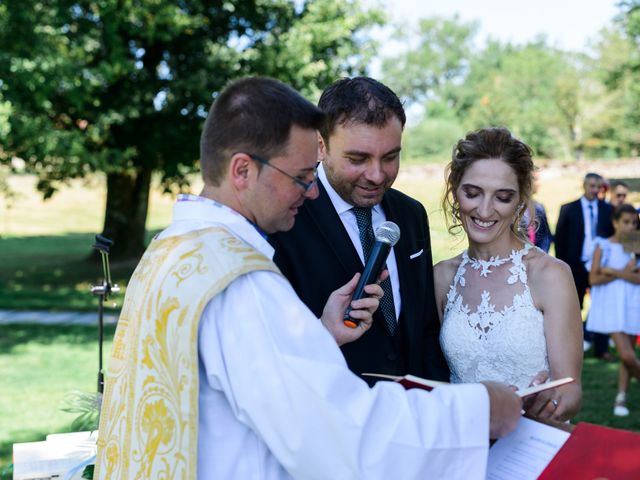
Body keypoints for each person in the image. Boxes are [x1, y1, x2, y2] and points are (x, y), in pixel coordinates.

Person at [94, 77, 522, 479]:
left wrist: (320, 335)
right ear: (242, 171)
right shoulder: (240, 284)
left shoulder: (174, 250)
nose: (312, 190)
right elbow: (341, 435)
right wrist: (476, 411)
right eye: (300, 177)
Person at [269, 76, 449, 384]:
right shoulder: (284, 220)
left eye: (391, 157)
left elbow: (425, 327)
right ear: (320, 146)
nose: (377, 175)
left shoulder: (411, 214)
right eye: (358, 159)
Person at [434, 127, 583, 421]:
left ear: (519, 202)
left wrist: (548, 403)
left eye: (502, 197)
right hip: (466, 445)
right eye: (473, 193)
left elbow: (572, 391)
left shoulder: (550, 275)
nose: (485, 210)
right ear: (455, 192)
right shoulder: (441, 277)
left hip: (532, 441)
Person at [586, 204, 640, 416]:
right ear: (615, 222)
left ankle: (621, 398)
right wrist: (621, 272)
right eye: (626, 222)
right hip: (610, 306)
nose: (630, 227)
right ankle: (621, 397)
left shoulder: (633, 243)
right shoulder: (603, 245)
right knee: (626, 355)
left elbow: (637, 278)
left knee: (629, 355)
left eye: (634, 223)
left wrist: (612, 271)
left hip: (631, 304)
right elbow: (594, 278)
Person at [555, 172, 614, 360]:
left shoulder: (608, 209)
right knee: (573, 306)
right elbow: (560, 239)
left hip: (600, 266)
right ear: (584, 186)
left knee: (601, 305)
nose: (595, 190)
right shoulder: (568, 209)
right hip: (575, 264)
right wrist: (563, 266)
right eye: (591, 186)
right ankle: (572, 347)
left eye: (598, 186)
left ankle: (602, 349)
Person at [520, 172, 553, 252]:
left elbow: (546, 236)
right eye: (536, 179)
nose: (539, 183)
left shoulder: (539, 207)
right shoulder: (512, 207)